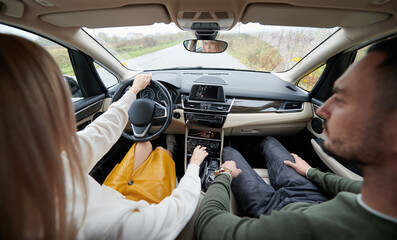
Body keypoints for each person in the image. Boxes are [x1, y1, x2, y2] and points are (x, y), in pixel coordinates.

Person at [0, 33, 209, 239]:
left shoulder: (42, 162)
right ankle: (169, 149)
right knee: (164, 155)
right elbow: (175, 214)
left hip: (114, 194)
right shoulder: (99, 226)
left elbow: (99, 132)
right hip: (135, 207)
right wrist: (193, 166)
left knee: (142, 144)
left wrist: (133, 91)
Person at [195, 36, 397, 239]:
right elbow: (349, 186)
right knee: (268, 141)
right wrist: (310, 172)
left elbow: (208, 224)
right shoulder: (381, 194)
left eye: (343, 100)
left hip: (271, 209)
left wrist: (223, 174)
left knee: (228, 152)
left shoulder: (301, 229)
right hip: (307, 193)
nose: (322, 110)